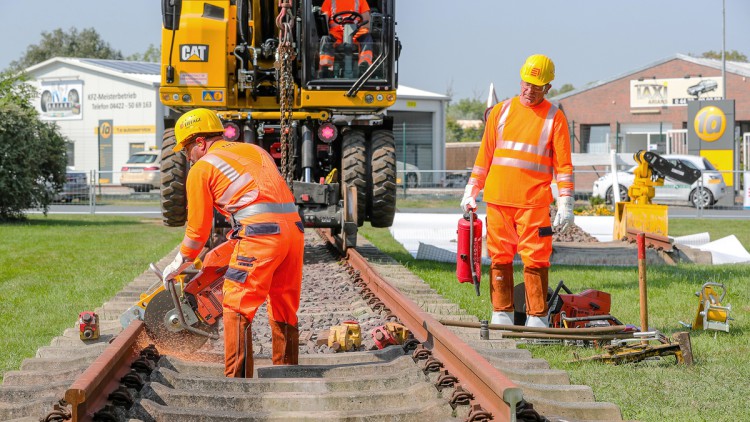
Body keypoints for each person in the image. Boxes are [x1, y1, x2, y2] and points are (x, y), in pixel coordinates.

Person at [162, 108, 305, 377]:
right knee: (284, 305)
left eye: (187, 149)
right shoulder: (255, 151)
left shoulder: (202, 168)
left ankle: (238, 385)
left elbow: (197, 230)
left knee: (237, 304)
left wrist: (180, 261)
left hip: (260, 237)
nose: (187, 156)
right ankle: (288, 376)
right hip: (294, 233)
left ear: (200, 143)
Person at [460, 54, 574, 328]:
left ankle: (537, 318)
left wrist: (566, 202)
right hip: (498, 201)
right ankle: (502, 313)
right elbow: (484, 156)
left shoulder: (554, 118)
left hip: (534, 203)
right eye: (526, 83)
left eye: (536, 86)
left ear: (548, 87)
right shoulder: (501, 111)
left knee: (536, 258)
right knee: (499, 257)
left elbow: (564, 165)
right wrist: (471, 190)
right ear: (520, 79)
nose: (529, 89)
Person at [318, 0, 373, 78]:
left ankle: (364, 66)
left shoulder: (361, 1)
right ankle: (326, 68)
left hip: (355, 34)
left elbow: (366, 21)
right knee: (325, 38)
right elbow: (324, 20)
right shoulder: (329, 1)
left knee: (367, 38)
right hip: (336, 34)